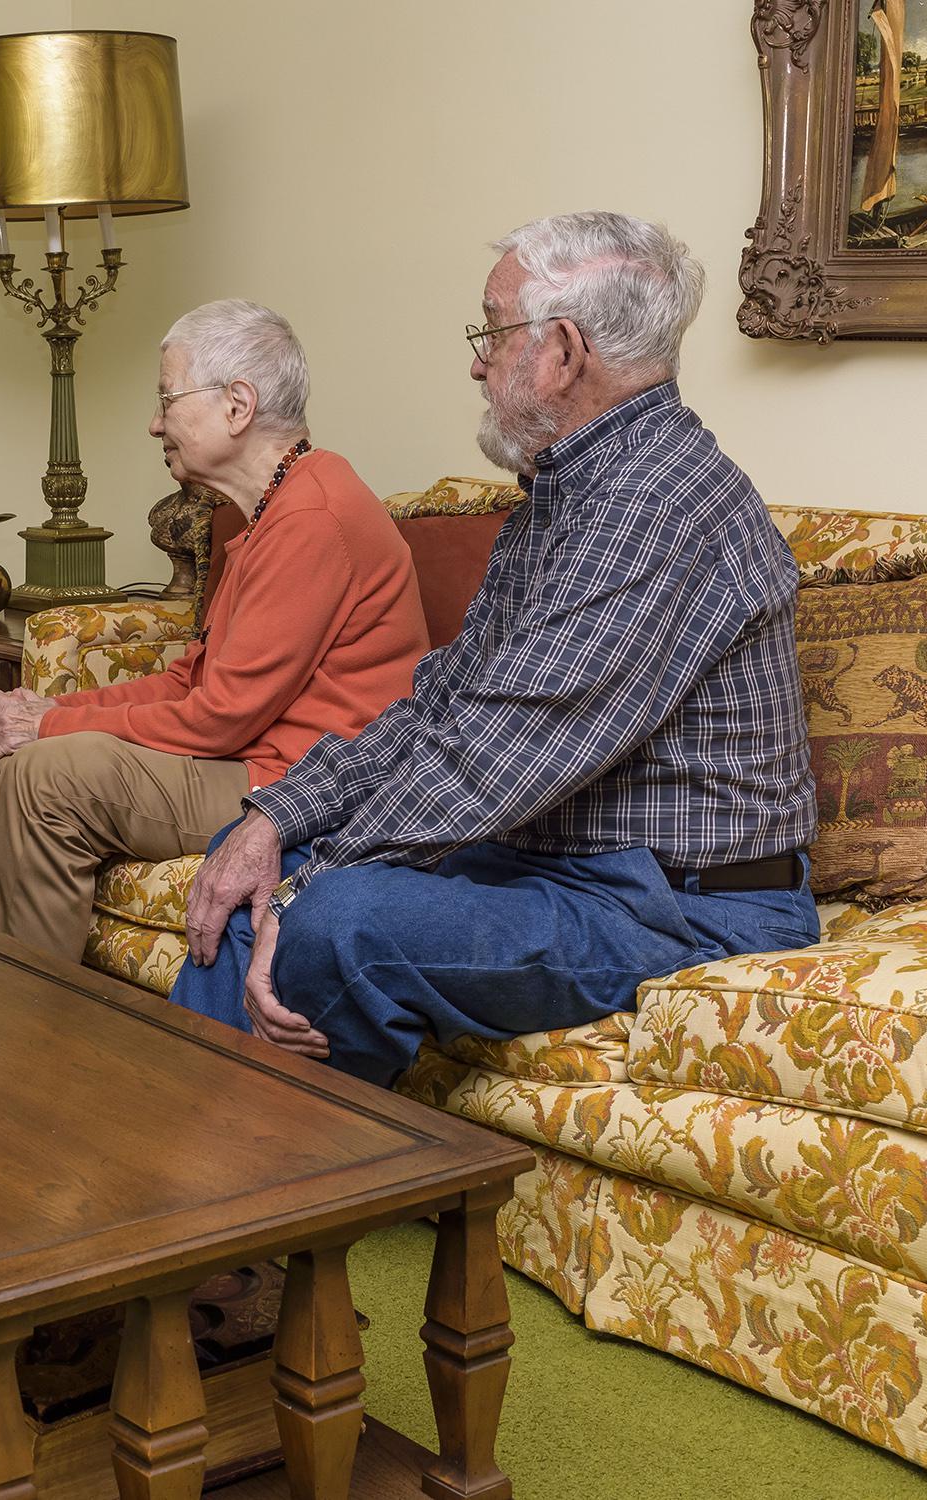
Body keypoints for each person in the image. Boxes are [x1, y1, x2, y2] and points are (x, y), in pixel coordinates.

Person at [171, 212, 819, 1085]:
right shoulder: (568, 492)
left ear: (560, 350)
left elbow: (496, 757)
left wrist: (307, 881)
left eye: (492, 331)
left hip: (682, 908)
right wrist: (279, 816)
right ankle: (187, 1158)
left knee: (336, 916)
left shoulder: (657, 505)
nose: (477, 360)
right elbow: (446, 708)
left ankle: (260, 1202)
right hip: (562, 868)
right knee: (248, 859)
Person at [0, 300, 430, 961]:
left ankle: (28, 1028)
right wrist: (51, 707)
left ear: (237, 405)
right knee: (8, 762)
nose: (153, 423)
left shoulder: (312, 515)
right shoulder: (277, 506)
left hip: (295, 785)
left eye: (168, 400)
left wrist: (49, 728)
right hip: (248, 758)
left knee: (43, 776)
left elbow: (219, 718)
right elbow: (188, 680)